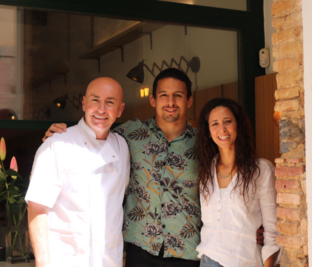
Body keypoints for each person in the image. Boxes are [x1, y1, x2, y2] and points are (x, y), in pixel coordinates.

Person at [42, 69, 264, 267]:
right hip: (140, 250)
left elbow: (229, 185)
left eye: (178, 95)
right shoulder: (128, 134)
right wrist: (61, 134)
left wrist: (253, 224)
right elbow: (94, 133)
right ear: (152, 100)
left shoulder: (205, 143)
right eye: (163, 95)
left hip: (188, 251)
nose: (170, 102)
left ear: (189, 101)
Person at [26, 77, 130, 267]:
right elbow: (36, 207)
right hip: (66, 260)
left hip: (109, 260)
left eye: (110, 102)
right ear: (84, 103)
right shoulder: (57, 143)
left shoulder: (122, 147)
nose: (101, 109)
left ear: (120, 110)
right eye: (95, 100)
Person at [195, 98, 279, 267]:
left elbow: (272, 230)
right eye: (215, 124)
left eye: (227, 121)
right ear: (208, 131)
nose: (222, 129)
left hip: (244, 261)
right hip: (208, 260)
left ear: (238, 125)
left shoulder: (261, 170)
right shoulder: (205, 171)